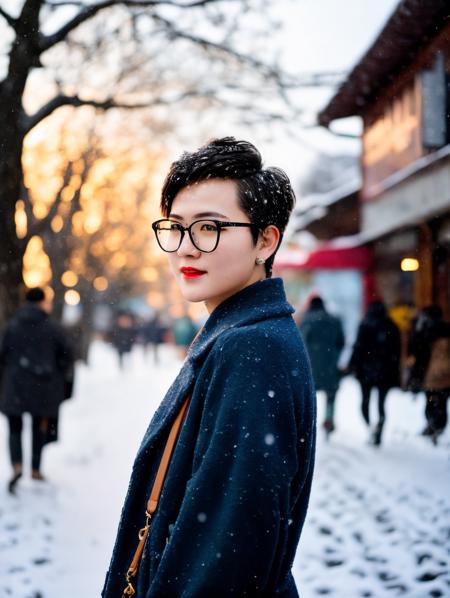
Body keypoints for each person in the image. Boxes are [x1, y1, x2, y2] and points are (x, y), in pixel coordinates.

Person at [102, 137, 316, 597]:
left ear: (265, 240)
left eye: (209, 228)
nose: (185, 248)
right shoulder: (240, 334)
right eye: (176, 227)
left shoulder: (250, 349)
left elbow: (230, 546)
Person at [0, 287, 74, 493]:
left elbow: (2, 354)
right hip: (44, 387)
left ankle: (16, 465)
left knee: (15, 428)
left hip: (14, 385)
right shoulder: (53, 327)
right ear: (42, 302)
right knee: (38, 428)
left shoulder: (12, 326)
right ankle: (35, 468)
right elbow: (67, 355)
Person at [348, 300, 401, 446]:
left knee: (365, 401)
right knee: (381, 404)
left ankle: (370, 427)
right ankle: (378, 430)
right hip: (385, 372)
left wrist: (353, 366)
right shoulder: (391, 325)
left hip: (366, 371)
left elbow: (358, 347)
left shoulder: (365, 325)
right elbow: (396, 352)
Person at [300, 296, 344, 436]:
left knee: (309, 395)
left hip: (311, 366)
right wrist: (334, 356)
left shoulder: (307, 320)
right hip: (330, 365)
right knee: (331, 394)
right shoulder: (334, 320)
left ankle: (309, 421)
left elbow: (301, 343)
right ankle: (329, 419)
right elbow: (341, 342)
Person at [408, 305, 450, 443]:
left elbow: (416, 351)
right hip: (446, 375)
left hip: (431, 375)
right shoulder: (446, 329)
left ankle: (432, 425)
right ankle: (439, 426)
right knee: (442, 403)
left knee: (431, 401)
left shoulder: (425, 331)